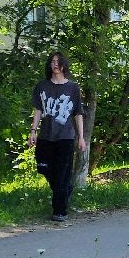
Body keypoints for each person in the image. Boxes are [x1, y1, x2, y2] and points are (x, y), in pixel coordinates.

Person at [29, 50, 86, 223]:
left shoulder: (73, 88)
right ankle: (66, 190)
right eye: (52, 61)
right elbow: (38, 110)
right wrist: (33, 131)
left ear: (63, 64)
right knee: (43, 167)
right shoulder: (42, 86)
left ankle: (60, 211)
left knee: (62, 172)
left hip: (66, 136)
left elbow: (78, 113)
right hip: (46, 135)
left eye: (58, 61)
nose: (55, 64)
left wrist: (81, 137)